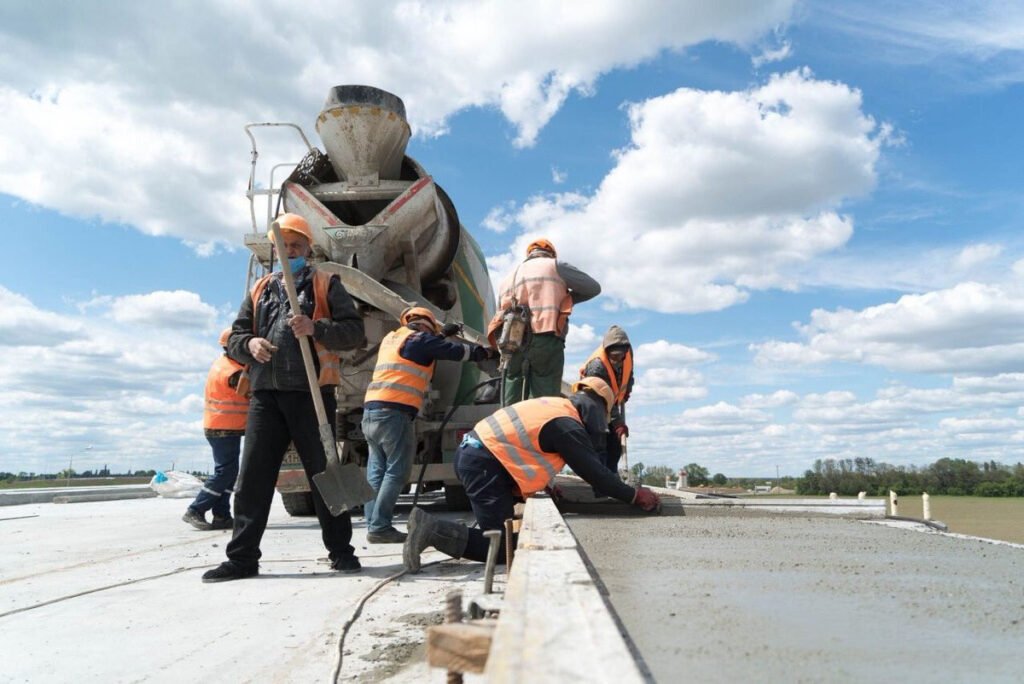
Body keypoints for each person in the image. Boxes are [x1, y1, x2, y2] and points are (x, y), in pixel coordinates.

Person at [202, 213, 366, 583]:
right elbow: (237, 336)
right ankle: (242, 559)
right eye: (284, 246)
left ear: (309, 249)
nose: (290, 251)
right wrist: (250, 344)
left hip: (311, 393)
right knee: (252, 478)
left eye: (297, 245)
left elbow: (354, 333)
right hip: (265, 396)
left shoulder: (326, 283)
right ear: (275, 250)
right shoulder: (260, 289)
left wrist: (316, 328)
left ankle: (341, 552)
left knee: (325, 475)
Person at [402, 377, 660, 572]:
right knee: (504, 548)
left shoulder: (557, 407)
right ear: (597, 409)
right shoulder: (567, 425)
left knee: (502, 536)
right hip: (483, 464)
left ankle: (438, 530)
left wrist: (544, 484)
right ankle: (431, 529)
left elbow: (526, 447)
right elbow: (595, 473)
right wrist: (634, 495)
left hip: (480, 459)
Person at [362, 307, 496, 544]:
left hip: (371, 412)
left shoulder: (393, 339)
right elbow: (453, 352)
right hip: (395, 413)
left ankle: (374, 524)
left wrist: (442, 334)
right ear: (426, 326)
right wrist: (482, 353)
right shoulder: (419, 339)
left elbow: (422, 348)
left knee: (376, 471)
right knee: (396, 471)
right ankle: (381, 527)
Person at [487, 238, 600, 405]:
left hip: (512, 341)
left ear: (529, 253)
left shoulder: (508, 278)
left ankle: (509, 427)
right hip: (546, 337)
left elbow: (499, 313)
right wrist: (566, 299)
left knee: (512, 387)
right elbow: (593, 288)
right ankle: (541, 428)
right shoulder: (554, 265)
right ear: (551, 252)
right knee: (544, 395)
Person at [183, 329, 248, 531]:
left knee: (230, 472)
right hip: (222, 426)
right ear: (230, 347)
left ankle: (222, 515)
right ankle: (195, 509)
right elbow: (251, 391)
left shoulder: (229, 364)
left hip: (226, 426)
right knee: (225, 471)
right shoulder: (230, 371)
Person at [579, 325, 634, 478]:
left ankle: (612, 475)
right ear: (607, 351)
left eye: (620, 356)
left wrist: (627, 389)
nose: (617, 360)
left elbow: (629, 374)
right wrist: (618, 424)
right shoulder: (597, 367)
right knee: (600, 440)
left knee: (615, 445)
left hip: (612, 400)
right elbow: (604, 399)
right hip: (593, 400)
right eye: (613, 356)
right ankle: (600, 481)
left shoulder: (628, 354)